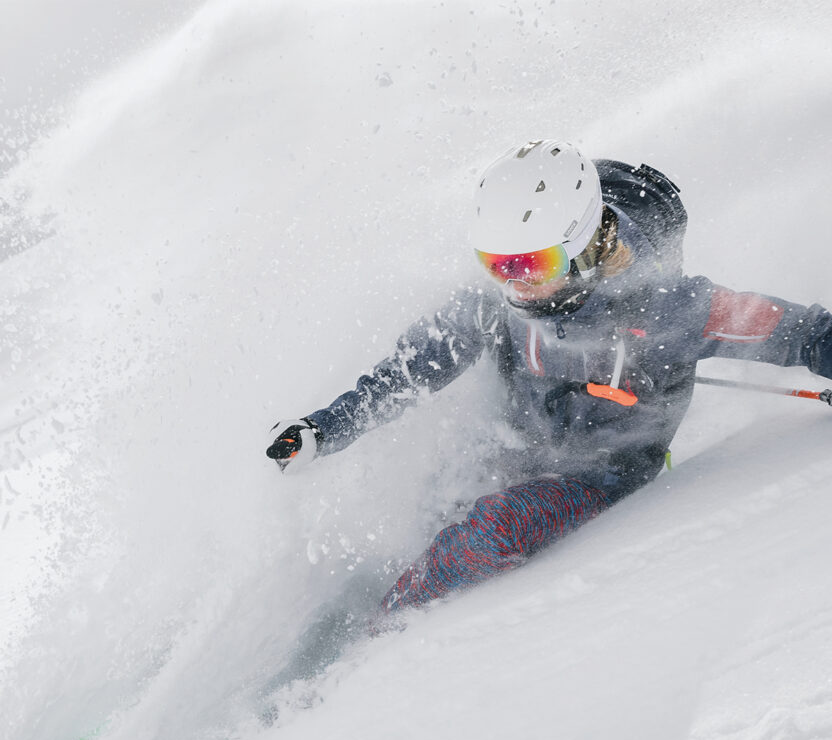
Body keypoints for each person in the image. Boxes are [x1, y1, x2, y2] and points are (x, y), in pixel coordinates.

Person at [266, 139, 832, 616]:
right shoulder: (498, 304)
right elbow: (411, 371)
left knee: (487, 528)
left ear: (584, 246)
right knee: (439, 501)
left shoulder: (671, 310)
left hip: (598, 475)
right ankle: (377, 596)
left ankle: (377, 652)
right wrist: (322, 429)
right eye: (498, 265)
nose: (515, 286)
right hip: (519, 442)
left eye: (532, 265)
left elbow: (807, 333)